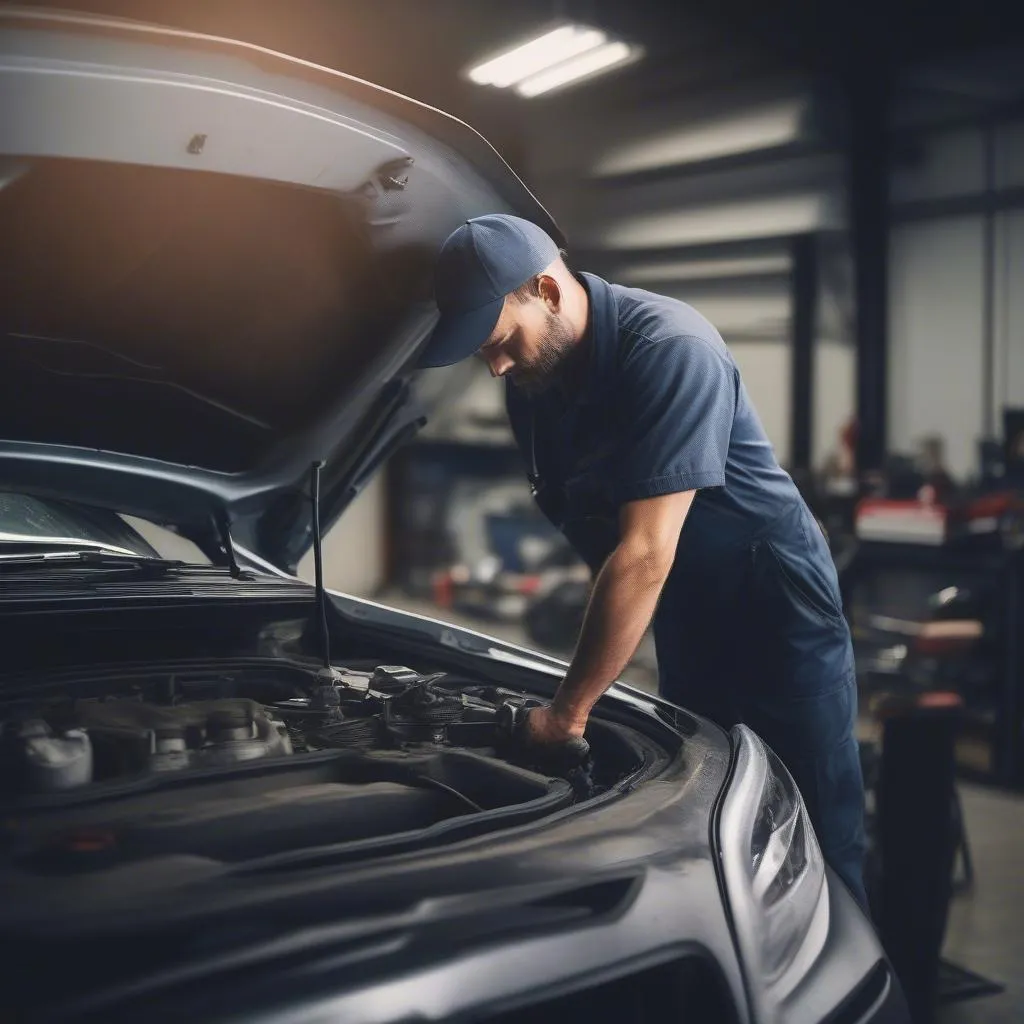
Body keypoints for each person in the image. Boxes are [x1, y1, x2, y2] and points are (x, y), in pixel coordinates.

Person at [418, 214, 867, 908]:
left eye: (503, 341)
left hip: (773, 599)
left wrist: (567, 715)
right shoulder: (535, 385)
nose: (498, 366)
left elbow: (645, 554)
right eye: (484, 353)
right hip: (688, 605)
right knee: (712, 802)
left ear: (546, 289)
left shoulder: (672, 349)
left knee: (811, 822)